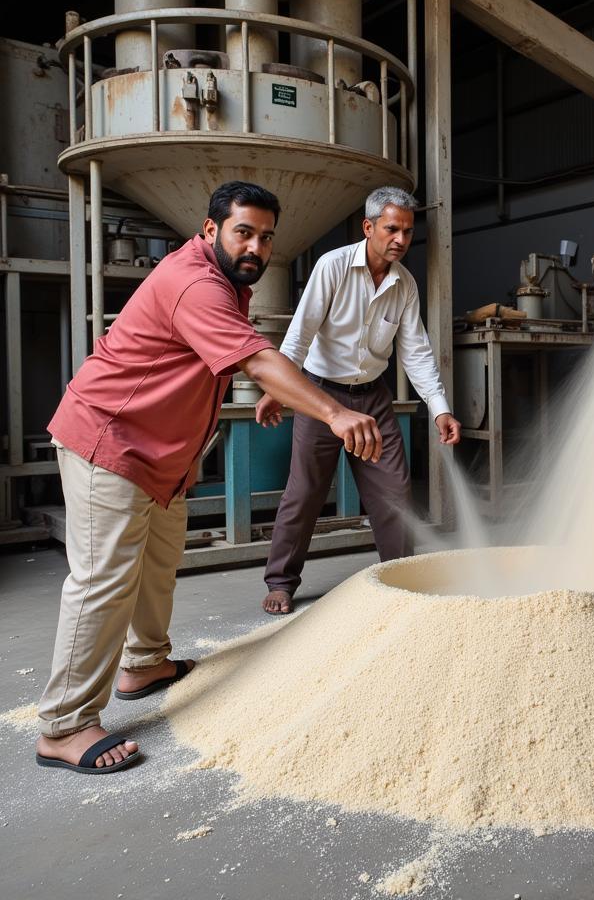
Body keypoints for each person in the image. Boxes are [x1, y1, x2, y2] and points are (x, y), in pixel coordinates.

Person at [36, 181, 383, 775]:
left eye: (266, 238)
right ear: (209, 230)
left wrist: (190, 450)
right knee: (101, 583)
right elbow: (252, 358)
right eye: (243, 232)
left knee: (158, 561)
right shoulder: (195, 282)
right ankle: (64, 726)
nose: (256, 247)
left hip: (160, 450)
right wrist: (335, 411)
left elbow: (202, 370)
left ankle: (144, 663)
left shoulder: (226, 281)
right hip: (109, 439)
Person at [258, 186, 461, 615]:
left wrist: (439, 408)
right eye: (392, 229)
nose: (401, 240)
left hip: (372, 397)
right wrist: (278, 390)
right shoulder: (332, 267)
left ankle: (400, 574)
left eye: (407, 231)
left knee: (394, 492)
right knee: (305, 492)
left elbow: (416, 351)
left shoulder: (404, 285)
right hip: (320, 394)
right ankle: (280, 581)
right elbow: (301, 333)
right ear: (369, 227)